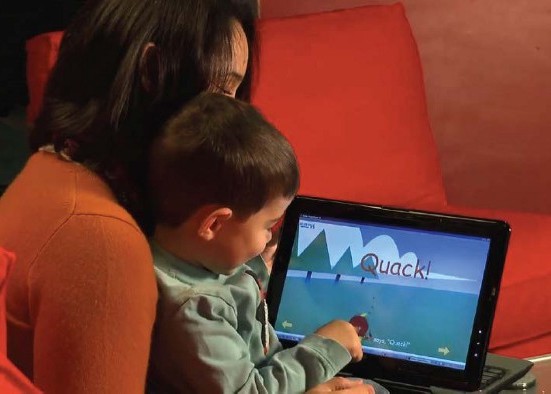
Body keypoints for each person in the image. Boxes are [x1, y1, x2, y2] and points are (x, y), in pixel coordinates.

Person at [0, 0, 258, 392]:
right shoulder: (101, 240)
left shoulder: (52, 168)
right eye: (223, 90)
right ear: (152, 73)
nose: (238, 119)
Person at [147, 92, 381, 393]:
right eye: (268, 225)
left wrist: (261, 257)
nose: (270, 235)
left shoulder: (193, 256)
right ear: (214, 224)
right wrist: (325, 349)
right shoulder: (195, 310)